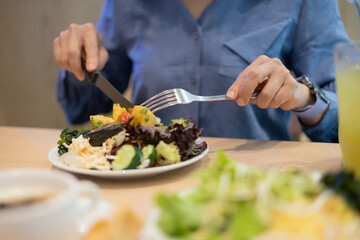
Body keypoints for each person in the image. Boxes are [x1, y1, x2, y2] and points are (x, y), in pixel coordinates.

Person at [54, 0, 349, 142]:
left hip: (253, 188)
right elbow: (86, 106)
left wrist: (303, 96)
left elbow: (347, 116)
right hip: (147, 185)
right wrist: (81, 63)